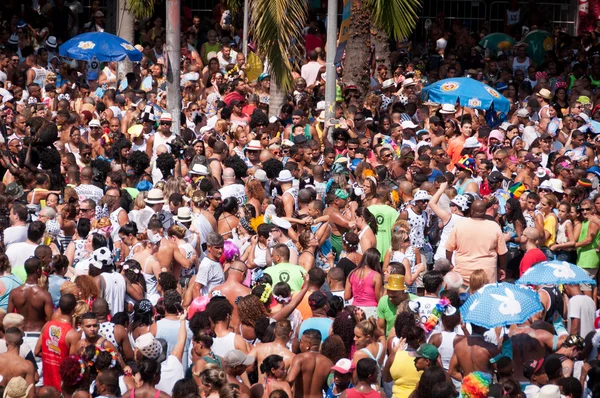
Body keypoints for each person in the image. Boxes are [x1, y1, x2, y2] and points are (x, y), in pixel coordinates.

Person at [446, 199, 508, 284]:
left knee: (464, 297)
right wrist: (502, 268)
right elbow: (502, 253)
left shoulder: (459, 225)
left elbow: (449, 249)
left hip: (463, 274)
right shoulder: (494, 226)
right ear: (485, 211)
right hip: (486, 275)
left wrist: (449, 263)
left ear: (471, 211)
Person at [7, 256, 53, 354]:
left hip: (20, 337)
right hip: (37, 336)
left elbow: (9, 318)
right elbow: (50, 321)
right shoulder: (44, 295)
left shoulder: (15, 293)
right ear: (38, 271)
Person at [36, 293, 80, 391]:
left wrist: (50, 355)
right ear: (74, 310)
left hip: (47, 386)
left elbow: (36, 351)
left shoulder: (47, 325)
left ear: (59, 307)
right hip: (62, 387)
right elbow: (71, 363)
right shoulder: (73, 334)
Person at [287, 329, 334, 398]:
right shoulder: (329, 363)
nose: (300, 345)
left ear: (308, 344)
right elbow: (330, 385)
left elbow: (290, 379)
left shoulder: (299, 358)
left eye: (301, 342)